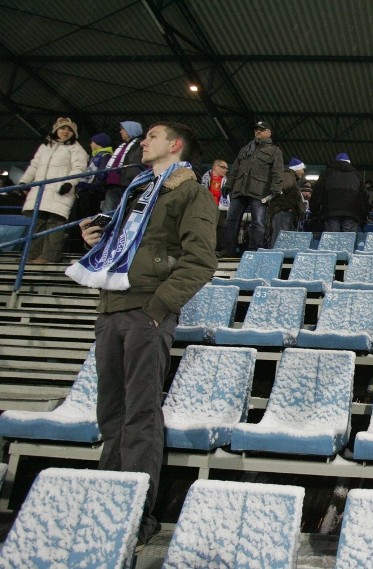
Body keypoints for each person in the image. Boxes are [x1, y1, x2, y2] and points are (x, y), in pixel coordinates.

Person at [66, 121, 217, 547]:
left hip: (146, 311)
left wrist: (158, 308)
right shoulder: (136, 192)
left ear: (175, 144)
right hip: (111, 309)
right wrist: (95, 241)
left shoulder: (190, 191)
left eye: (151, 135)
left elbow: (201, 260)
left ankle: (135, 512)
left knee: (139, 415)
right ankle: (105, 504)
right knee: (111, 412)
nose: (143, 141)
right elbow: (126, 250)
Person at [19, 117, 89, 264]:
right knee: (38, 223)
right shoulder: (45, 147)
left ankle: (49, 257)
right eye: (63, 128)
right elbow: (34, 165)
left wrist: (69, 183)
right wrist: (24, 181)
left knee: (54, 224)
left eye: (70, 130)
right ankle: (31, 256)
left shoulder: (76, 148)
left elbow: (79, 168)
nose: (66, 131)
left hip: (60, 192)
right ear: (56, 129)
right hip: (40, 193)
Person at [220, 121, 285, 254]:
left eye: (261, 129)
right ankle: (227, 249)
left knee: (258, 222)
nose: (258, 132)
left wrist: (275, 188)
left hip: (259, 191)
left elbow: (277, 172)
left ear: (269, 133)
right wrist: (229, 184)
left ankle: (254, 250)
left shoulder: (274, 151)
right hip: (239, 189)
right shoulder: (245, 149)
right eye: (256, 130)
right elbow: (235, 169)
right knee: (231, 220)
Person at [310, 152, 369, 232]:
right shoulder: (357, 176)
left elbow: (317, 193)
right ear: (349, 162)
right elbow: (364, 197)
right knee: (348, 241)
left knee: (333, 241)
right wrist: (364, 214)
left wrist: (314, 210)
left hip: (331, 213)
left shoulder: (326, 174)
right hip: (351, 213)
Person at [103, 120, 146, 213]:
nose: (120, 131)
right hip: (113, 183)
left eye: (123, 129)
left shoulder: (141, 146)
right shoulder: (122, 146)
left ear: (131, 130)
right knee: (108, 212)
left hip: (127, 184)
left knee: (121, 212)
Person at [266, 156, 306, 243]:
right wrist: (286, 207)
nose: (303, 172)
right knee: (280, 239)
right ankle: (276, 256)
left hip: (284, 212)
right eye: (302, 169)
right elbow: (281, 189)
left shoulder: (290, 177)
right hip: (283, 213)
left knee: (282, 239)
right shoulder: (287, 176)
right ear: (297, 169)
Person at [201, 159, 229, 249]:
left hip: (222, 209)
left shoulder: (227, 182)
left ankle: (219, 248)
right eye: (223, 167)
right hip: (207, 208)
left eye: (227, 168)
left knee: (221, 229)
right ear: (215, 167)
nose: (225, 170)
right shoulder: (205, 178)